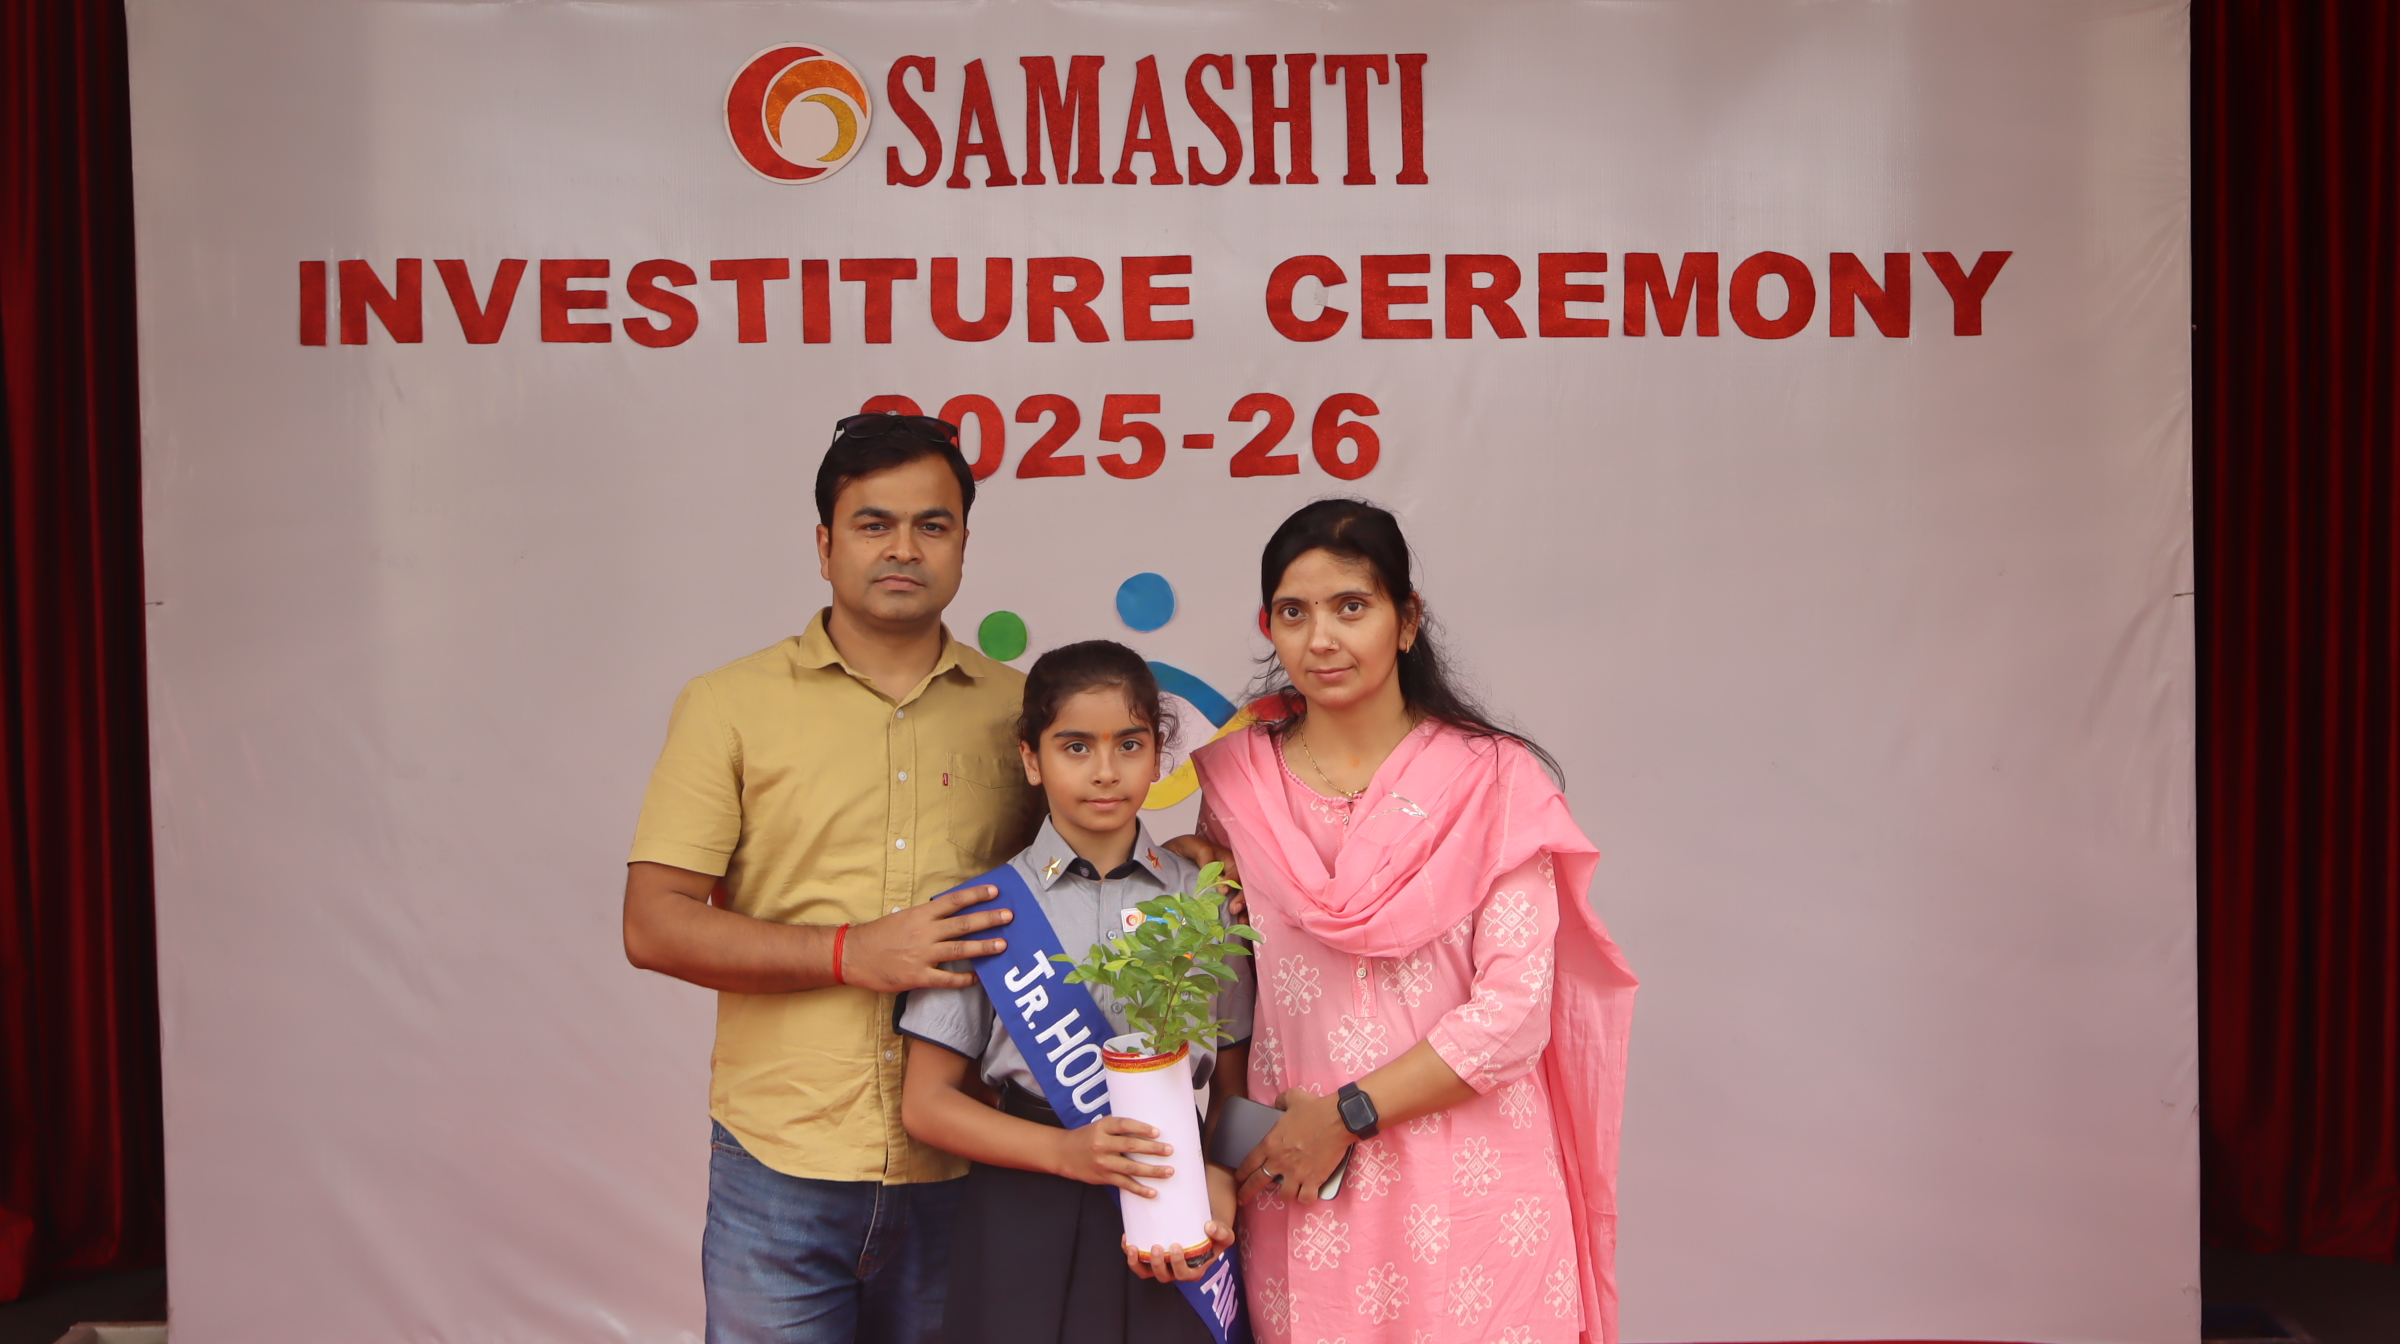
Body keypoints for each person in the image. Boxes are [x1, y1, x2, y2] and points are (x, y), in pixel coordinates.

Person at [620, 415, 1231, 1344]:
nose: (903, 548)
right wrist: (849, 952)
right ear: (824, 544)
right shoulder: (728, 706)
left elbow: (1081, 871)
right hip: (782, 1161)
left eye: (932, 525)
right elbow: (653, 924)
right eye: (873, 524)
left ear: (963, 544)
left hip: (973, 1178)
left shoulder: (1020, 709)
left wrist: (1176, 859)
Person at [1191, 499, 1638, 1344]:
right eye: (1295, 613)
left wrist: (1346, 1115)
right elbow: (1229, 1001)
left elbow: (1513, 1015)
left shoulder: (1493, 782)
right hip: (1304, 1190)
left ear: (1406, 621)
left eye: (1351, 607)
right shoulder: (1238, 788)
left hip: (1472, 1196)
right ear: (1269, 628)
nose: (1322, 638)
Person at [897, 640, 1255, 1344]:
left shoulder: (1209, 902)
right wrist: (1066, 1154)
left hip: (1173, 1201)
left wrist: (1220, 1179)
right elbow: (926, 1105)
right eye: (1075, 747)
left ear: (1160, 756)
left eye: (1130, 745)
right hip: (1024, 1204)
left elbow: (1239, 1088)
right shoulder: (985, 910)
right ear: (1031, 758)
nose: (1105, 771)